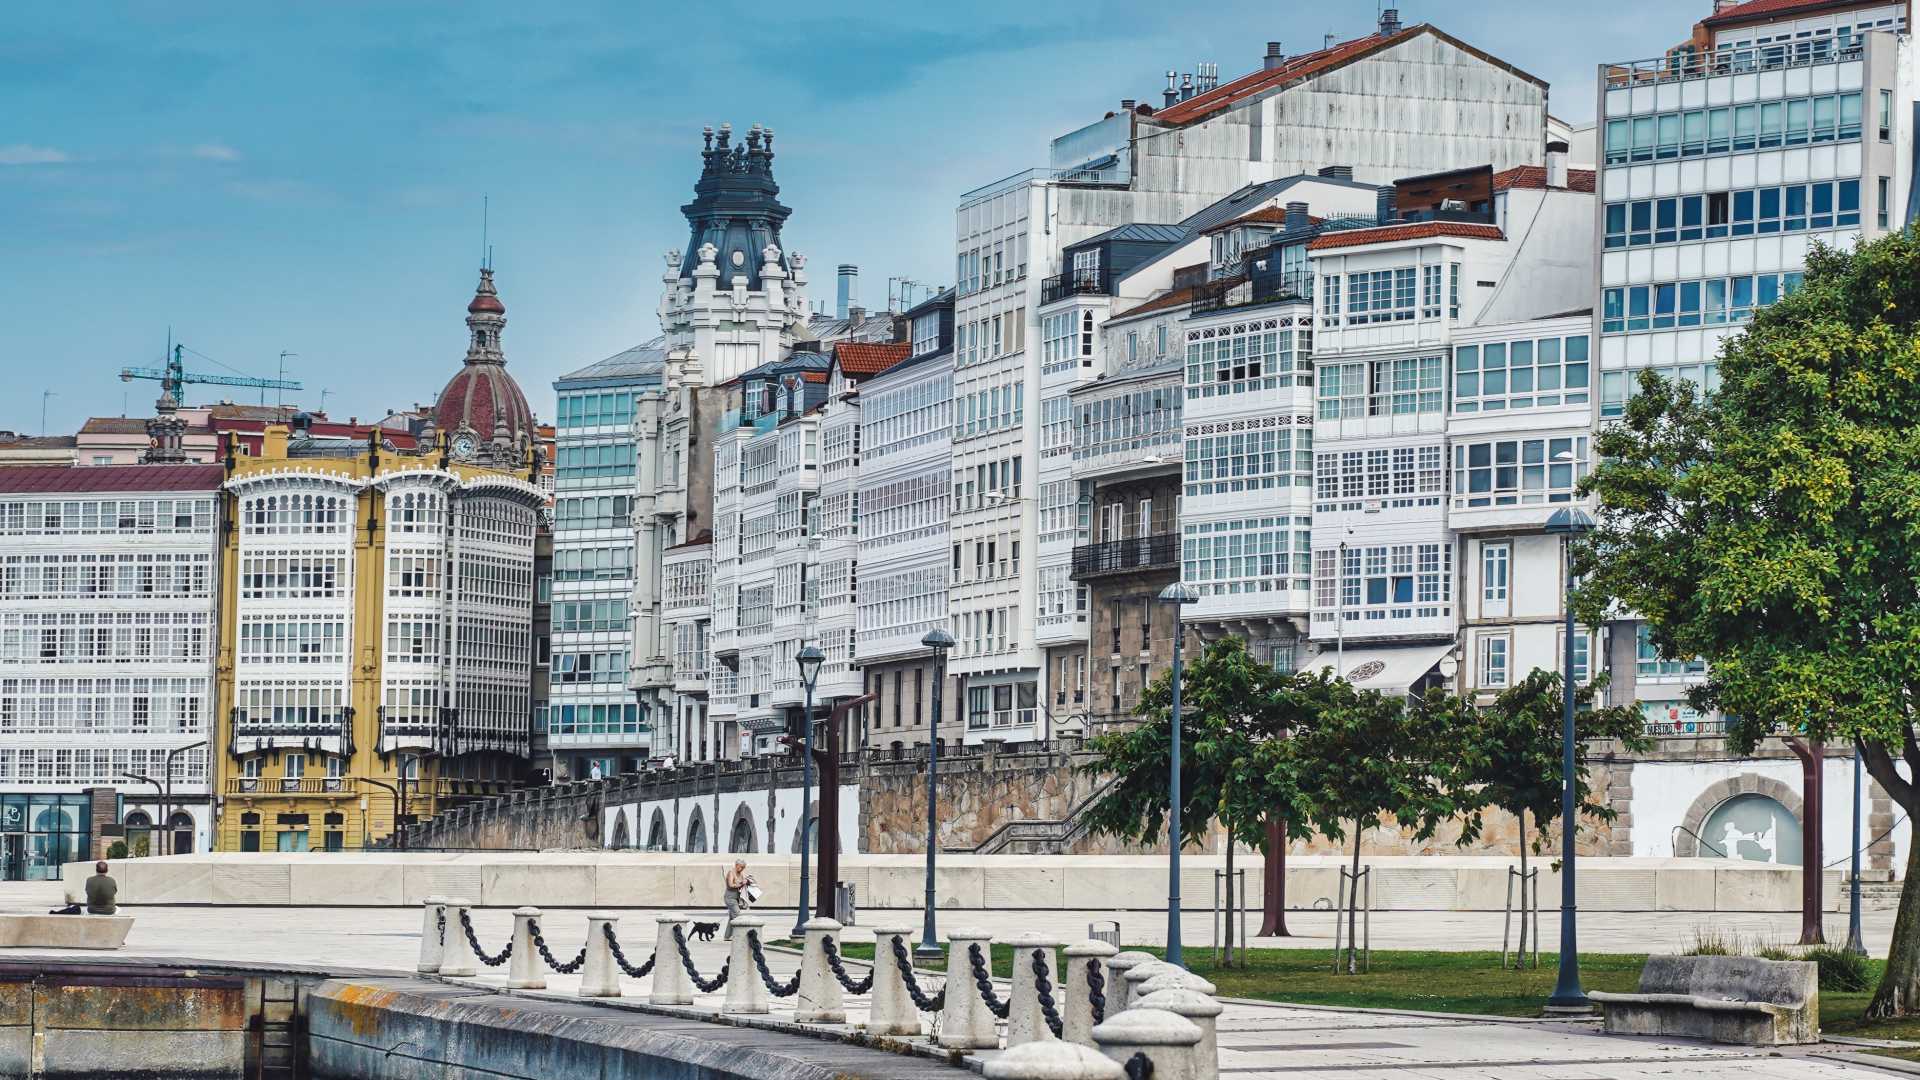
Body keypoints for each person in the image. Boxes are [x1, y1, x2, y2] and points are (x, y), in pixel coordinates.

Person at [723, 859, 754, 939]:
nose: (743, 869)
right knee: (737, 915)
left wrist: (747, 881)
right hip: (730, 898)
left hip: (737, 898)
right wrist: (741, 884)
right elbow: (730, 885)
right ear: (737, 865)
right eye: (741, 867)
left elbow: (744, 883)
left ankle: (727, 936)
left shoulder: (741, 873)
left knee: (732, 917)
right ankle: (739, 935)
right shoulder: (731, 873)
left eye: (744, 867)